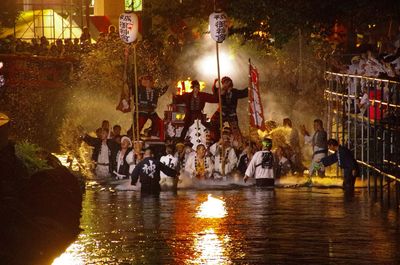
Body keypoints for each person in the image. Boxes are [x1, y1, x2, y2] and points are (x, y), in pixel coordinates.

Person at [211, 76, 248, 141]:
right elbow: (214, 90)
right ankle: (215, 140)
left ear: (230, 82)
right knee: (213, 122)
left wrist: (251, 87)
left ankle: (239, 143)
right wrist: (214, 83)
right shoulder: (220, 91)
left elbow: (244, 93)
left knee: (235, 130)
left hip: (231, 113)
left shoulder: (234, 91)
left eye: (226, 82)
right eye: (224, 83)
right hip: (222, 112)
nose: (225, 84)